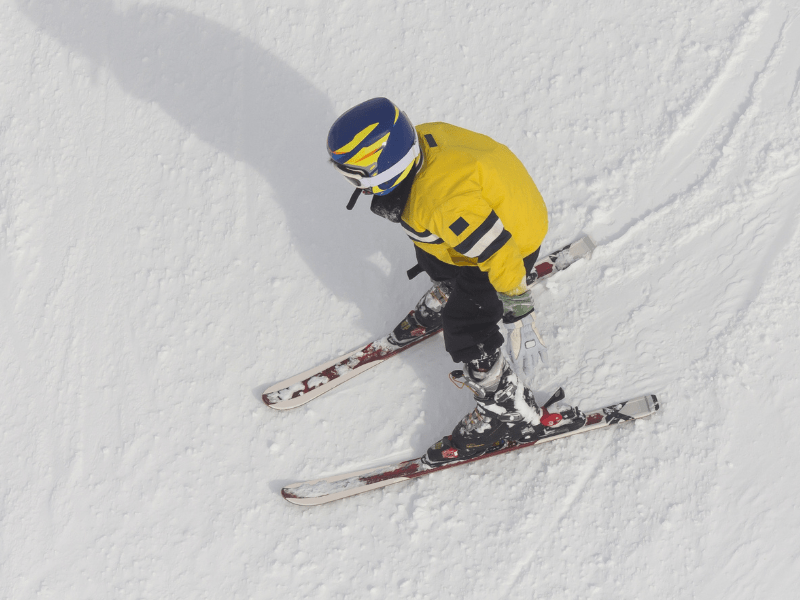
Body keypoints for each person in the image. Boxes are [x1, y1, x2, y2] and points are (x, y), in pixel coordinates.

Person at [326, 97, 559, 465]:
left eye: (354, 174)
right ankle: (451, 284)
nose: (352, 182)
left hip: (511, 243)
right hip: (489, 215)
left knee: (465, 324)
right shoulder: (420, 148)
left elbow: (497, 252)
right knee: (430, 248)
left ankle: (504, 409)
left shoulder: (442, 204)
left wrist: (517, 307)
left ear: (382, 167)